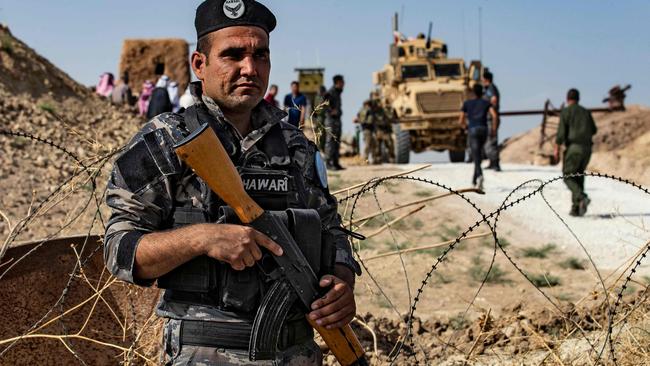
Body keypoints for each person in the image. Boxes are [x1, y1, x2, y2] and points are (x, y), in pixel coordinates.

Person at [103, 1, 360, 365]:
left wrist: (341, 281)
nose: (249, 68)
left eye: (261, 56)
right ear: (199, 64)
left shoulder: (296, 147)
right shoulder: (164, 142)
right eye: (233, 55)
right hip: (203, 353)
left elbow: (332, 230)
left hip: (294, 351)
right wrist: (203, 239)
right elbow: (120, 249)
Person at [554, 88, 597, 217]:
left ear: (567, 99)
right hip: (587, 149)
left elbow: (561, 134)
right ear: (578, 99)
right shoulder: (585, 112)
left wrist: (556, 149)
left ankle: (581, 197)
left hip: (574, 148)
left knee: (568, 176)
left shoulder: (566, 112)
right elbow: (594, 130)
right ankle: (576, 208)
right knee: (578, 175)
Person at [459, 83, 498, 190]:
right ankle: (474, 180)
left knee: (476, 155)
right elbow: (494, 115)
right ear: (482, 92)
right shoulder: (486, 103)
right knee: (478, 155)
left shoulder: (467, 103)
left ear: (472, 92)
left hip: (473, 130)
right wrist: (494, 129)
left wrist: (464, 127)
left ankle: (480, 176)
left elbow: (461, 119)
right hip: (484, 130)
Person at [325, 75, 345, 170]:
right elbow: (324, 103)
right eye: (342, 82)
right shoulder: (331, 92)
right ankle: (328, 163)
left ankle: (336, 163)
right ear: (337, 82)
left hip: (337, 120)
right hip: (331, 120)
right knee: (330, 141)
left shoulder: (337, 92)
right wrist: (331, 111)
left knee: (336, 141)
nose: (343, 84)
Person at [482, 70, 501, 171]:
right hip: (489, 118)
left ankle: (495, 164)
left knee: (491, 141)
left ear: (486, 79)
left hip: (492, 118)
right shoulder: (489, 89)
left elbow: (493, 101)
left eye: (483, 79)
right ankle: (492, 162)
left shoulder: (491, 89)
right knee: (489, 141)